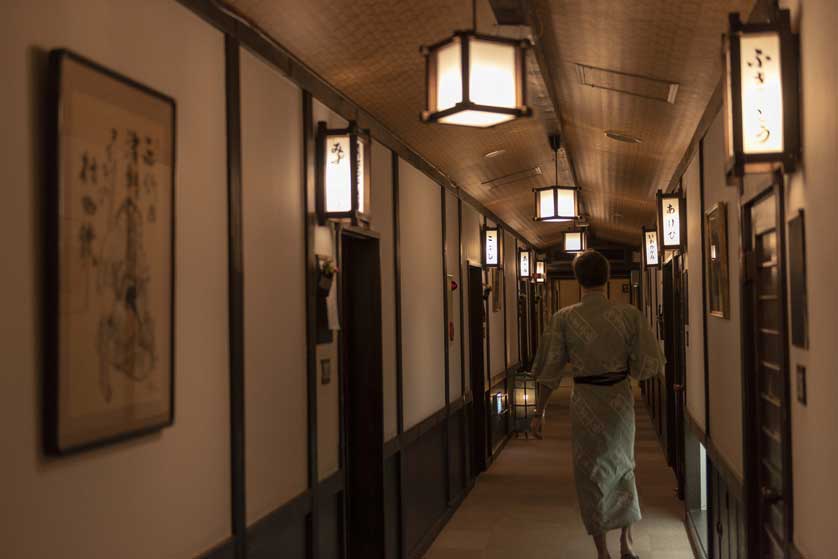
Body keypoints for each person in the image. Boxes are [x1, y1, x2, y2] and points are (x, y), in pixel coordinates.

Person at [529, 250, 665, 559]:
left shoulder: (564, 318)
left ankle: (602, 550)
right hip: (619, 400)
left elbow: (549, 369)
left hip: (585, 401)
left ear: (577, 279)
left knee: (590, 473)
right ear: (607, 277)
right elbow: (648, 362)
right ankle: (626, 543)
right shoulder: (629, 315)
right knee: (624, 467)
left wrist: (539, 411)